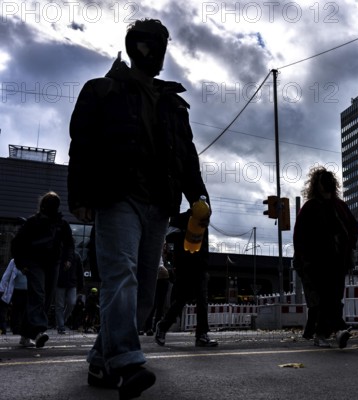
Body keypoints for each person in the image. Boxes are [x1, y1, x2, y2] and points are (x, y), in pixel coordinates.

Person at [68, 18, 211, 398]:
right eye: (151, 44)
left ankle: (101, 362)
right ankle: (128, 362)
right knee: (122, 276)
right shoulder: (102, 90)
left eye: (164, 44)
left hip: (159, 204)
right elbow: (81, 146)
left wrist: (200, 196)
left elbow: (187, 157)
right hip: (117, 196)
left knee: (147, 289)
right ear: (135, 46)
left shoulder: (173, 104)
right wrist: (80, 197)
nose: (158, 52)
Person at [293, 166, 358, 348]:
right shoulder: (311, 207)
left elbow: (353, 227)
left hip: (338, 261)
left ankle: (331, 331)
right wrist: (304, 260)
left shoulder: (340, 206)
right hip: (317, 262)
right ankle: (328, 332)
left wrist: (349, 246)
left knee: (334, 297)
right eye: (324, 180)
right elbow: (300, 236)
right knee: (323, 299)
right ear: (318, 184)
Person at [11, 191, 75, 348]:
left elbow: (69, 244)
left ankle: (26, 333)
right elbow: (17, 243)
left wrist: (67, 259)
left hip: (52, 264)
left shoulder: (61, 224)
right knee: (38, 295)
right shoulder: (33, 223)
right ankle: (38, 331)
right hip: (35, 263)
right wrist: (21, 263)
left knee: (45, 298)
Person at [155, 212, 218, 348]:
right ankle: (163, 326)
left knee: (202, 299)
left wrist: (205, 264)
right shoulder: (179, 218)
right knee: (182, 299)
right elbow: (170, 239)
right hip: (184, 265)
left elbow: (204, 244)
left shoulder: (203, 221)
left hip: (200, 265)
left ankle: (201, 335)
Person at [140, 249, 171, 336]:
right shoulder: (152, 249)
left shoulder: (161, 253)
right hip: (155, 277)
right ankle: (147, 327)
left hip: (162, 277)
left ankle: (154, 327)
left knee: (159, 305)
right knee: (153, 304)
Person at [1, 259, 31, 346]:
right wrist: (2, 288)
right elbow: (6, 275)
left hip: (28, 291)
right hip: (16, 291)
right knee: (16, 310)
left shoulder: (32, 261)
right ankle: (16, 329)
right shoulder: (13, 262)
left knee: (26, 311)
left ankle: (24, 332)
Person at [55, 248, 84, 334]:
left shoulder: (76, 256)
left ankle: (62, 321)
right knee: (59, 305)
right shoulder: (59, 255)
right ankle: (61, 326)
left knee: (72, 303)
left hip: (72, 283)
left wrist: (81, 284)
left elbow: (80, 271)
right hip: (60, 283)